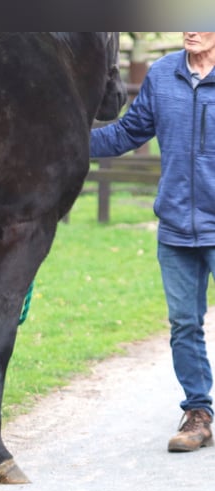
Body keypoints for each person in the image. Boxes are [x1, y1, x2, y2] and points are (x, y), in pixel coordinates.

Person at [90, 32, 215, 452]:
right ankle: (199, 415)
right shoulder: (162, 75)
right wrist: (69, 139)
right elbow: (127, 133)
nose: (189, 30)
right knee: (184, 324)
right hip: (177, 226)